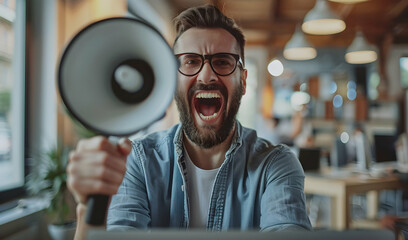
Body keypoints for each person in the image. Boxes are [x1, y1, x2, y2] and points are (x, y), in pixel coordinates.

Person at [67, 5, 312, 239]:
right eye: (190, 61)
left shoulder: (275, 165)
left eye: (223, 61)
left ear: (244, 81)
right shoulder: (138, 162)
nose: (207, 75)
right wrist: (88, 210)